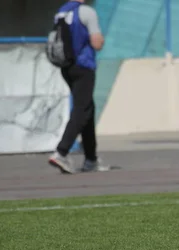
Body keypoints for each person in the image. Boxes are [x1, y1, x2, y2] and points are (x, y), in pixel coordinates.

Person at [48, 0, 110, 174]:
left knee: (87, 108)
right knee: (82, 110)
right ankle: (61, 152)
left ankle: (91, 159)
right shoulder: (87, 12)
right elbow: (96, 43)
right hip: (83, 66)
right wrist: (101, 40)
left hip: (67, 66)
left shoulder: (62, 12)